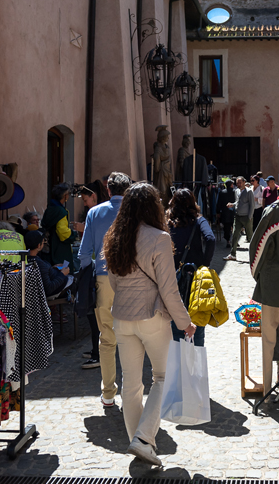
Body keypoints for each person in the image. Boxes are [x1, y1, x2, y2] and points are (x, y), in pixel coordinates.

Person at [104, 182, 196, 467]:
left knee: (130, 384)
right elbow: (169, 290)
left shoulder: (115, 237)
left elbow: (114, 281)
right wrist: (185, 322)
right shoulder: (158, 238)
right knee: (163, 378)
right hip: (152, 317)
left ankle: (140, 442)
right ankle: (144, 439)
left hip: (122, 317)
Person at [79, 172, 130, 389]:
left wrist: (85, 279)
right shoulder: (135, 213)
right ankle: (131, 391)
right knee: (131, 338)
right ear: (127, 190)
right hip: (131, 279)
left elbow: (84, 254)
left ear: (108, 190)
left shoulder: (94, 213)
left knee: (107, 339)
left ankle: (108, 390)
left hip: (104, 278)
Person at [166, 188, 215, 345]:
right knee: (197, 316)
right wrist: (205, 263)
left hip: (173, 276)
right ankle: (197, 357)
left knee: (175, 317)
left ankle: (178, 357)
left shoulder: (168, 223)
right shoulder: (198, 220)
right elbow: (211, 239)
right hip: (195, 276)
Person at [42, 183, 80, 269]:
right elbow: (63, 233)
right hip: (59, 250)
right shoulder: (61, 212)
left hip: (49, 250)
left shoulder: (50, 208)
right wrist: (74, 234)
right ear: (65, 196)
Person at [28, 230, 73, 299]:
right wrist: (62, 274)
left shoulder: (27, 259)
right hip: (56, 287)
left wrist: (52, 268)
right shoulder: (38, 264)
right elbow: (49, 289)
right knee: (74, 279)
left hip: (53, 277)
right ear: (38, 245)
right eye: (43, 242)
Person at [226, 176, 255, 259]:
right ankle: (233, 254)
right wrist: (233, 204)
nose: (238, 184)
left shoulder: (249, 192)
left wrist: (250, 217)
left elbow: (252, 205)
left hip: (246, 217)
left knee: (250, 237)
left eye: (240, 182)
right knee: (235, 234)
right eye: (237, 182)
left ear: (244, 183)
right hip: (238, 216)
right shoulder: (236, 191)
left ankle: (254, 254)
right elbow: (238, 201)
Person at [217, 180, 236, 247]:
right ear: (231, 185)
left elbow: (219, 203)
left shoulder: (222, 192)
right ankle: (235, 240)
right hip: (233, 212)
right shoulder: (235, 192)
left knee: (226, 228)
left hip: (225, 212)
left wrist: (218, 212)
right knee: (235, 227)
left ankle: (228, 241)